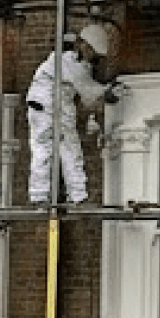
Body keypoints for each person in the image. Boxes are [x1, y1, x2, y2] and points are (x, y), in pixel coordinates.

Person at [26, 23, 122, 204]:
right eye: (91, 51)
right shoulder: (66, 62)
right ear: (84, 45)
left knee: (52, 150)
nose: (92, 57)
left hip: (49, 107)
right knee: (58, 149)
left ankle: (45, 195)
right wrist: (108, 91)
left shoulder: (67, 64)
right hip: (51, 108)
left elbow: (86, 96)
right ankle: (70, 195)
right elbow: (87, 89)